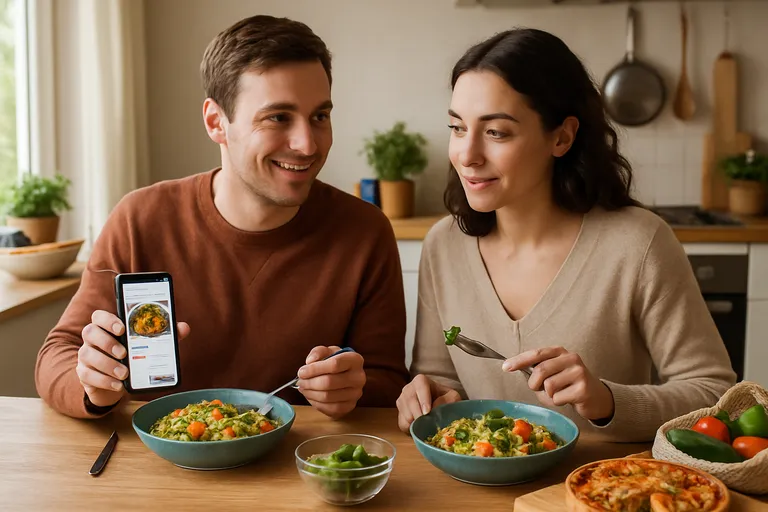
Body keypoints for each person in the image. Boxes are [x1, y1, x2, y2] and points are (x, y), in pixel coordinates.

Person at [35, 15, 409, 420]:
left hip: (302, 456)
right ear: (216, 122)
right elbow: (58, 355)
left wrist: (353, 388)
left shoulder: (364, 231)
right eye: (278, 117)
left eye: (320, 116)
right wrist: (93, 385)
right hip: (155, 456)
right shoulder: (140, 218)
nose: (307, 144)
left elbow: (388, 379)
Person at [396, 28, 736, 441]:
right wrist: (427, 396)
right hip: (470, 478)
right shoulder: (443, 244)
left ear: (561, 137)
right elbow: (440, 378)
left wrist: (608, 401)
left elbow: (715, 394)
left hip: (606, 480)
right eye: (457, 127)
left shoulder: (639, 244)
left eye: (496, 132)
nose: (466, 156)